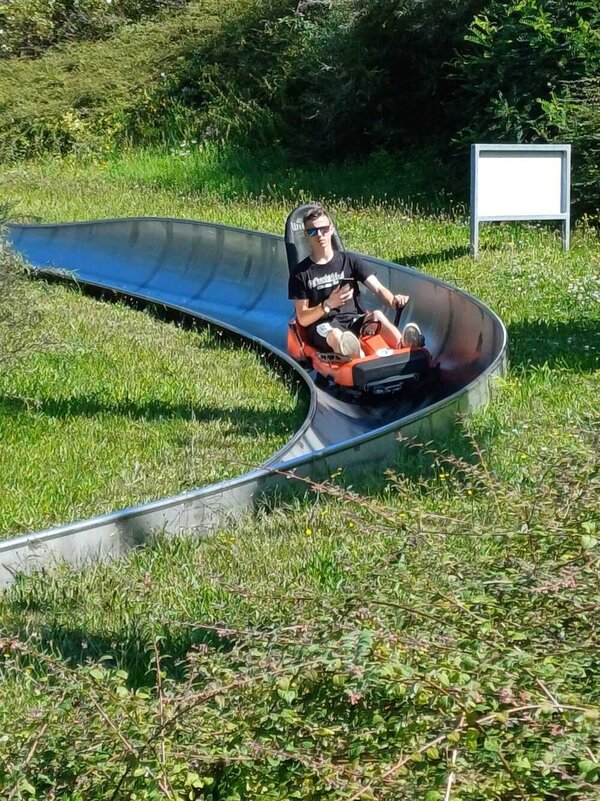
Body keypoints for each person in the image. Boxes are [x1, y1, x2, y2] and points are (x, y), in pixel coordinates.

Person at [288, 205, 423, 358]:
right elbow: (303, 318)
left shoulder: (350, 260)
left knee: (377, 315)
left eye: (324, 229)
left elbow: (378, 288)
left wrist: (393, 300)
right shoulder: (301, 273)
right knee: (336, 334)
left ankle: (404, 344)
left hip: (353, 320)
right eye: (313, 231)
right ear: (306, 235)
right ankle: (355, 355)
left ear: (331, 229)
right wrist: (328, 305)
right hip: (324, 325)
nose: (320, 235)